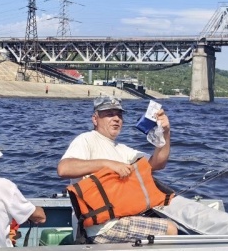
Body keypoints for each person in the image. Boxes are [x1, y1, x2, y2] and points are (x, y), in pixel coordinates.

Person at [57, 96, 178, 243]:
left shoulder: (123, 150)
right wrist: (108, 164)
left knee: (169, 214)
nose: (116, 119)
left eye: (119, 115)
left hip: (120, 219)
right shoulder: (86, 140)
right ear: (95, 119)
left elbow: (157, 164)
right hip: (101, 227)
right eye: (109, 114)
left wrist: (165, 133)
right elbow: (64, 168)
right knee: (171, 229)